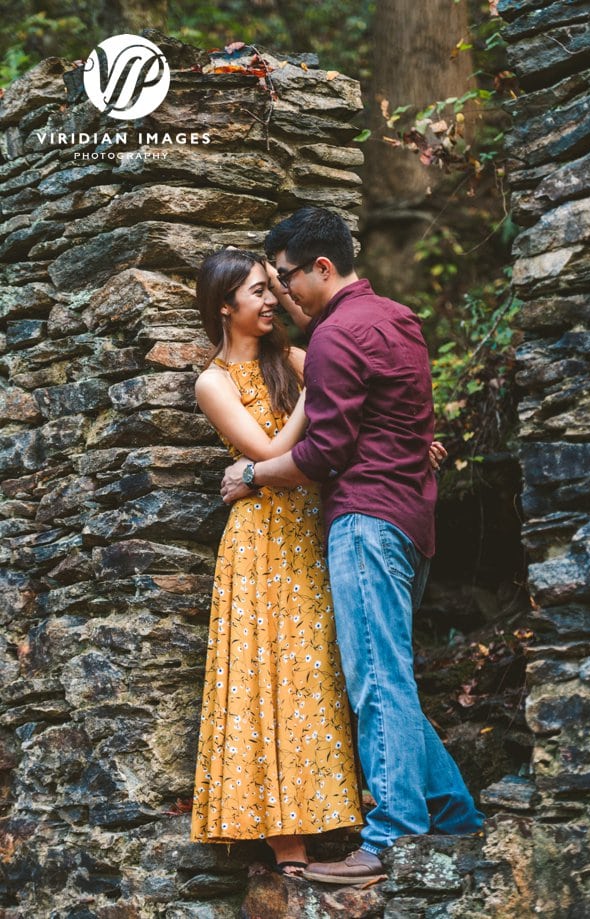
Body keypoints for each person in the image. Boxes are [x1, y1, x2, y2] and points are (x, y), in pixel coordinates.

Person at [219, 207, 484, 885]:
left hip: (367, 522)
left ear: (322, 268)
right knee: (387, 673)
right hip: (413, 520)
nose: (282, 291)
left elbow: (322, 452)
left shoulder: (337, 336)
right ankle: (453, 810)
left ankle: (391, 830)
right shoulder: (397, 318)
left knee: (375, 679)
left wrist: (249, 473)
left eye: (285, 277)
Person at [188, 247, 363, 877]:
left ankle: (332, 821)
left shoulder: (290, 358)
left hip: (311, 531)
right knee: (264, 682)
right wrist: (313, 393)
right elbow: (263, 449)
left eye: (273, 289)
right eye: (258, 292)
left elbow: (345, 416)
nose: (271, 301)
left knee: (314, 677)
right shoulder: (213, 381)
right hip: (259, 544)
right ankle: (286, 848)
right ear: (224, 306)